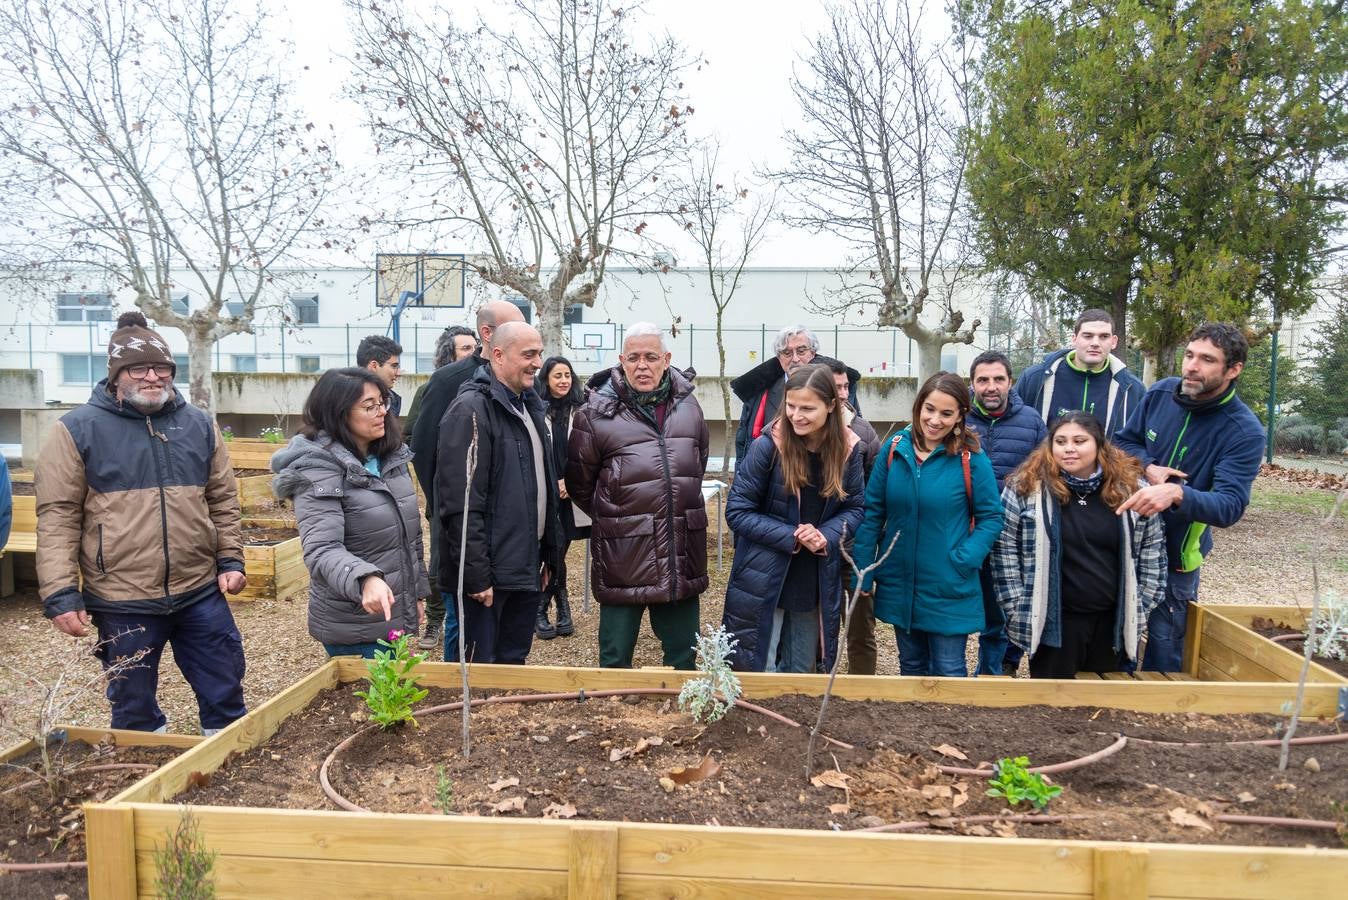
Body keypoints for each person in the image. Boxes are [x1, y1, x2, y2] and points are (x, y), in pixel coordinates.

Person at [36, 311, 247, 734]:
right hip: (120, 596)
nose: (153, 377)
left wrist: (231, 558)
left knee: (225, 690)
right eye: (139, 368)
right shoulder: (77, 430)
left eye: (162, 368)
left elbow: (222, 498)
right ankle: (144, 774)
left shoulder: (199, 425)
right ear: (116, 375)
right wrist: (60, 592)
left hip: (198, 590)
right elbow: (58, 515)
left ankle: (231, 759)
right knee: (132, 707)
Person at [1114, 322, 1264, 673]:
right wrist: (1149, 467)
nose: (1192, 367)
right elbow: (1124, 441)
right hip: (1123, 541)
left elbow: (1229, 506)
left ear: (1233, 369)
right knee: (1116, 635)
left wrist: (1178, 493)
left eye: (1207, 360)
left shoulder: (1243, 431)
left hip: (1177, 556)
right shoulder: (1161, 393)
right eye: (1190, 355)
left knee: (1166, 649)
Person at [567, 323, 710, 670]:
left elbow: (697, 463)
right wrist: (619, 515)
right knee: (615, 659)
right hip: (623, 552)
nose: (642, 365)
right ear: (621, 361)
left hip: (680, 549)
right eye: (634, 358)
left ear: (666, 359)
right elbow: (580, 483)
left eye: (650, 357)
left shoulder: (689, 407)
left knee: (684, 658)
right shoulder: (594, 414)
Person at [991, 413, 1167, 677]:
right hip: (1052, 622)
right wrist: (1017, 607)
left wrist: (1139, 605)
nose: (1069, 448)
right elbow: (1004, 551)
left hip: (1112, 621)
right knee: (1051, 707)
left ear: (1098, 445)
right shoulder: (1025, 488)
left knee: (1103, 706)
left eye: (1079, 440)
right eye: (1060, 441)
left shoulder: (1131, 490)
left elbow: (1152, 552)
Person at [852, 372, 1003, 677]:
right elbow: (873, 513)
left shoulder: (971, 458)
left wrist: (964, 559)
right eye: (930, 409)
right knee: (911, 668)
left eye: (946, 413)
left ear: (960, 415)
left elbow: (991, 517)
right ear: (919, 406)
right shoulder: (895, 449)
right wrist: (864, 570)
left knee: (949, 670)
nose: (935, 420)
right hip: (900, 581)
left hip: (948, 584)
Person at [272, 368, 429, 658]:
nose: (381, 412)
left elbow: (411, 538)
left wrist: (417, 595)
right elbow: (322, 549)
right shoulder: (317, 470)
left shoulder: (390, 459)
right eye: (369, 406)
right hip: (353, 623)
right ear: (338, 413)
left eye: (382, 402)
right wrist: (365, 578)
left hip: (392, 611)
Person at [722, 364, 865, 673]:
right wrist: (792, 536)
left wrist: (825, 534)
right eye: (790, 406)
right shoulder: (766, 447)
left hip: (813, 576)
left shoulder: (849, 451)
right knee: (759, 666)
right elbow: (737, 511)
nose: (796, 415)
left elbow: (855, 508)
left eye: (807, 408)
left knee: (802, 670)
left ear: (831, 406)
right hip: (763, 574)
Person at [436, 321, 561, 664]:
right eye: (529, 354)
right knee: (482, 671)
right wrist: (476, 576)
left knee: (513, 666)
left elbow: (541, 487)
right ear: (497, 355)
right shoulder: (471, 411)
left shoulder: (530, 408)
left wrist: (548, 554)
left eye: (539, 353)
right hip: (489, 579)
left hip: (524, 567)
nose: (538, 363)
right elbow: (461, 505)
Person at [409, 301, 524, 655]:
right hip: (461, 522)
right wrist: (449, 507)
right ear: (488, 335)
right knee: (462, 621)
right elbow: (426, 451)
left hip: (508, 535)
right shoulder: (449, 381)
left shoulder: (523, 385)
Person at [964, 350, 1047, 677]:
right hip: (966, 529)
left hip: (1010, 535)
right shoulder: (961, 419)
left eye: (998, 379)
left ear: (1010, 382)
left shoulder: (1031, 421)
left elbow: (1045, 474)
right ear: (972, 383)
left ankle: (993, 673)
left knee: (1000, 611)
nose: (991, 386)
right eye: (983, 380)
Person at [822, 359, 882, 675]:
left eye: (847, 386)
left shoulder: (863, 432)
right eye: (837, 387)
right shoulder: (797, 428)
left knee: (860, 629)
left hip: (854, 550)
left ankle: (863, 691)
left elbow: (875, 495)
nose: (844, 394)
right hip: (816, 550)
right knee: (819, 632)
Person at [731, 325, 860, 466]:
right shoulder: (759, 393)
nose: (795, 359)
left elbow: (856, 438)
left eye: (801, 351)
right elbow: (743, 444)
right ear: (779, 358)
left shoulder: (839, 389)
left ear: (813, 352)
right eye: (787, 353)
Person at [1014, 309, 1144, 438]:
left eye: (1104, 337)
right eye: (1088, 336)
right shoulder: (1035, 379)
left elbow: (1140, 443)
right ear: (1074, 339)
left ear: (1114, 341)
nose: (1095, 343)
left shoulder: (1132, 389)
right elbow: (1010, 425)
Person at [534, 356, 589, 640]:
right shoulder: (534, 408)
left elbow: (586, 453)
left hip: (570, 493)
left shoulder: (582, 410)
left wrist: (569, 481)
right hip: (544, 491)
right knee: (549, 550)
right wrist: (552, 482)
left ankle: (545, 607)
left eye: (567, 374)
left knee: (558, 550)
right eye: (557, 375)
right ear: (546, 379)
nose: (564, 380)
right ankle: (558, 608)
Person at [404, 325, 477, 437]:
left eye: (476, 348)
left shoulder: (486, 386)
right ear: (449, 355)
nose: (474, 353)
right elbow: (411, 434)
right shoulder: (430, 388)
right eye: (466, 348)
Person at [356, 335, 404, 417]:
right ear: (374, 366)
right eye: (394, 366)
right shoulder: (347, 399)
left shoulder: (392, 399)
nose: (398, 373)